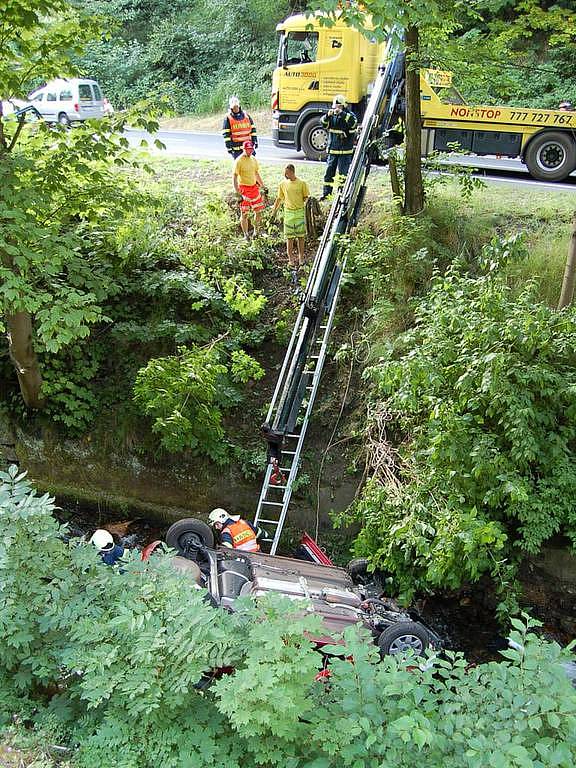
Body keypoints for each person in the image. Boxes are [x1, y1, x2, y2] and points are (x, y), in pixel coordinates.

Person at [271, 164, 310, 269]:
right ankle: (291, 259)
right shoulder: (283, 184)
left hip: (299, 212)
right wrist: (274, 211)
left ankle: (301, 257)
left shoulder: (302, 184)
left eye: (287, 173)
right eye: (285, 173)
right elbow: (279, 198)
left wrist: (304, 206)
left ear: (292, 172)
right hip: (288, 213)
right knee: (289, 237)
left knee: (301, 237)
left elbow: (306, 197)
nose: (285, 175)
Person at [320, 94, 358, 200]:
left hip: (345, 152)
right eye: (336, 106)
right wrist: (327, 115)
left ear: (344, 106)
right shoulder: (331, 115)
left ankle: (341, 195)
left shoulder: (349, 115)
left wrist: (342, 114)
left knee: (343, 175)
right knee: (329, 173)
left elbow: (353, 124)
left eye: (339, 106)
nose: (337, 108)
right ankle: (326, 194)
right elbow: (323, 123)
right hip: (333, 150)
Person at [233, 140, 266, 238]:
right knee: (244, 213)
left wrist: (263, 186)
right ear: (244, 149)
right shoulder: (239, 161)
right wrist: (238, 193)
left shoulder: (253, 159)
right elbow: (234, 177)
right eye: (248, 149)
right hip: (244, 189)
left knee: (258, 211)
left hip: (254, 188)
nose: (250, 151)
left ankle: (256, 232)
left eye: (251, 149)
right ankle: (246, 234)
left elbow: (256, 173)